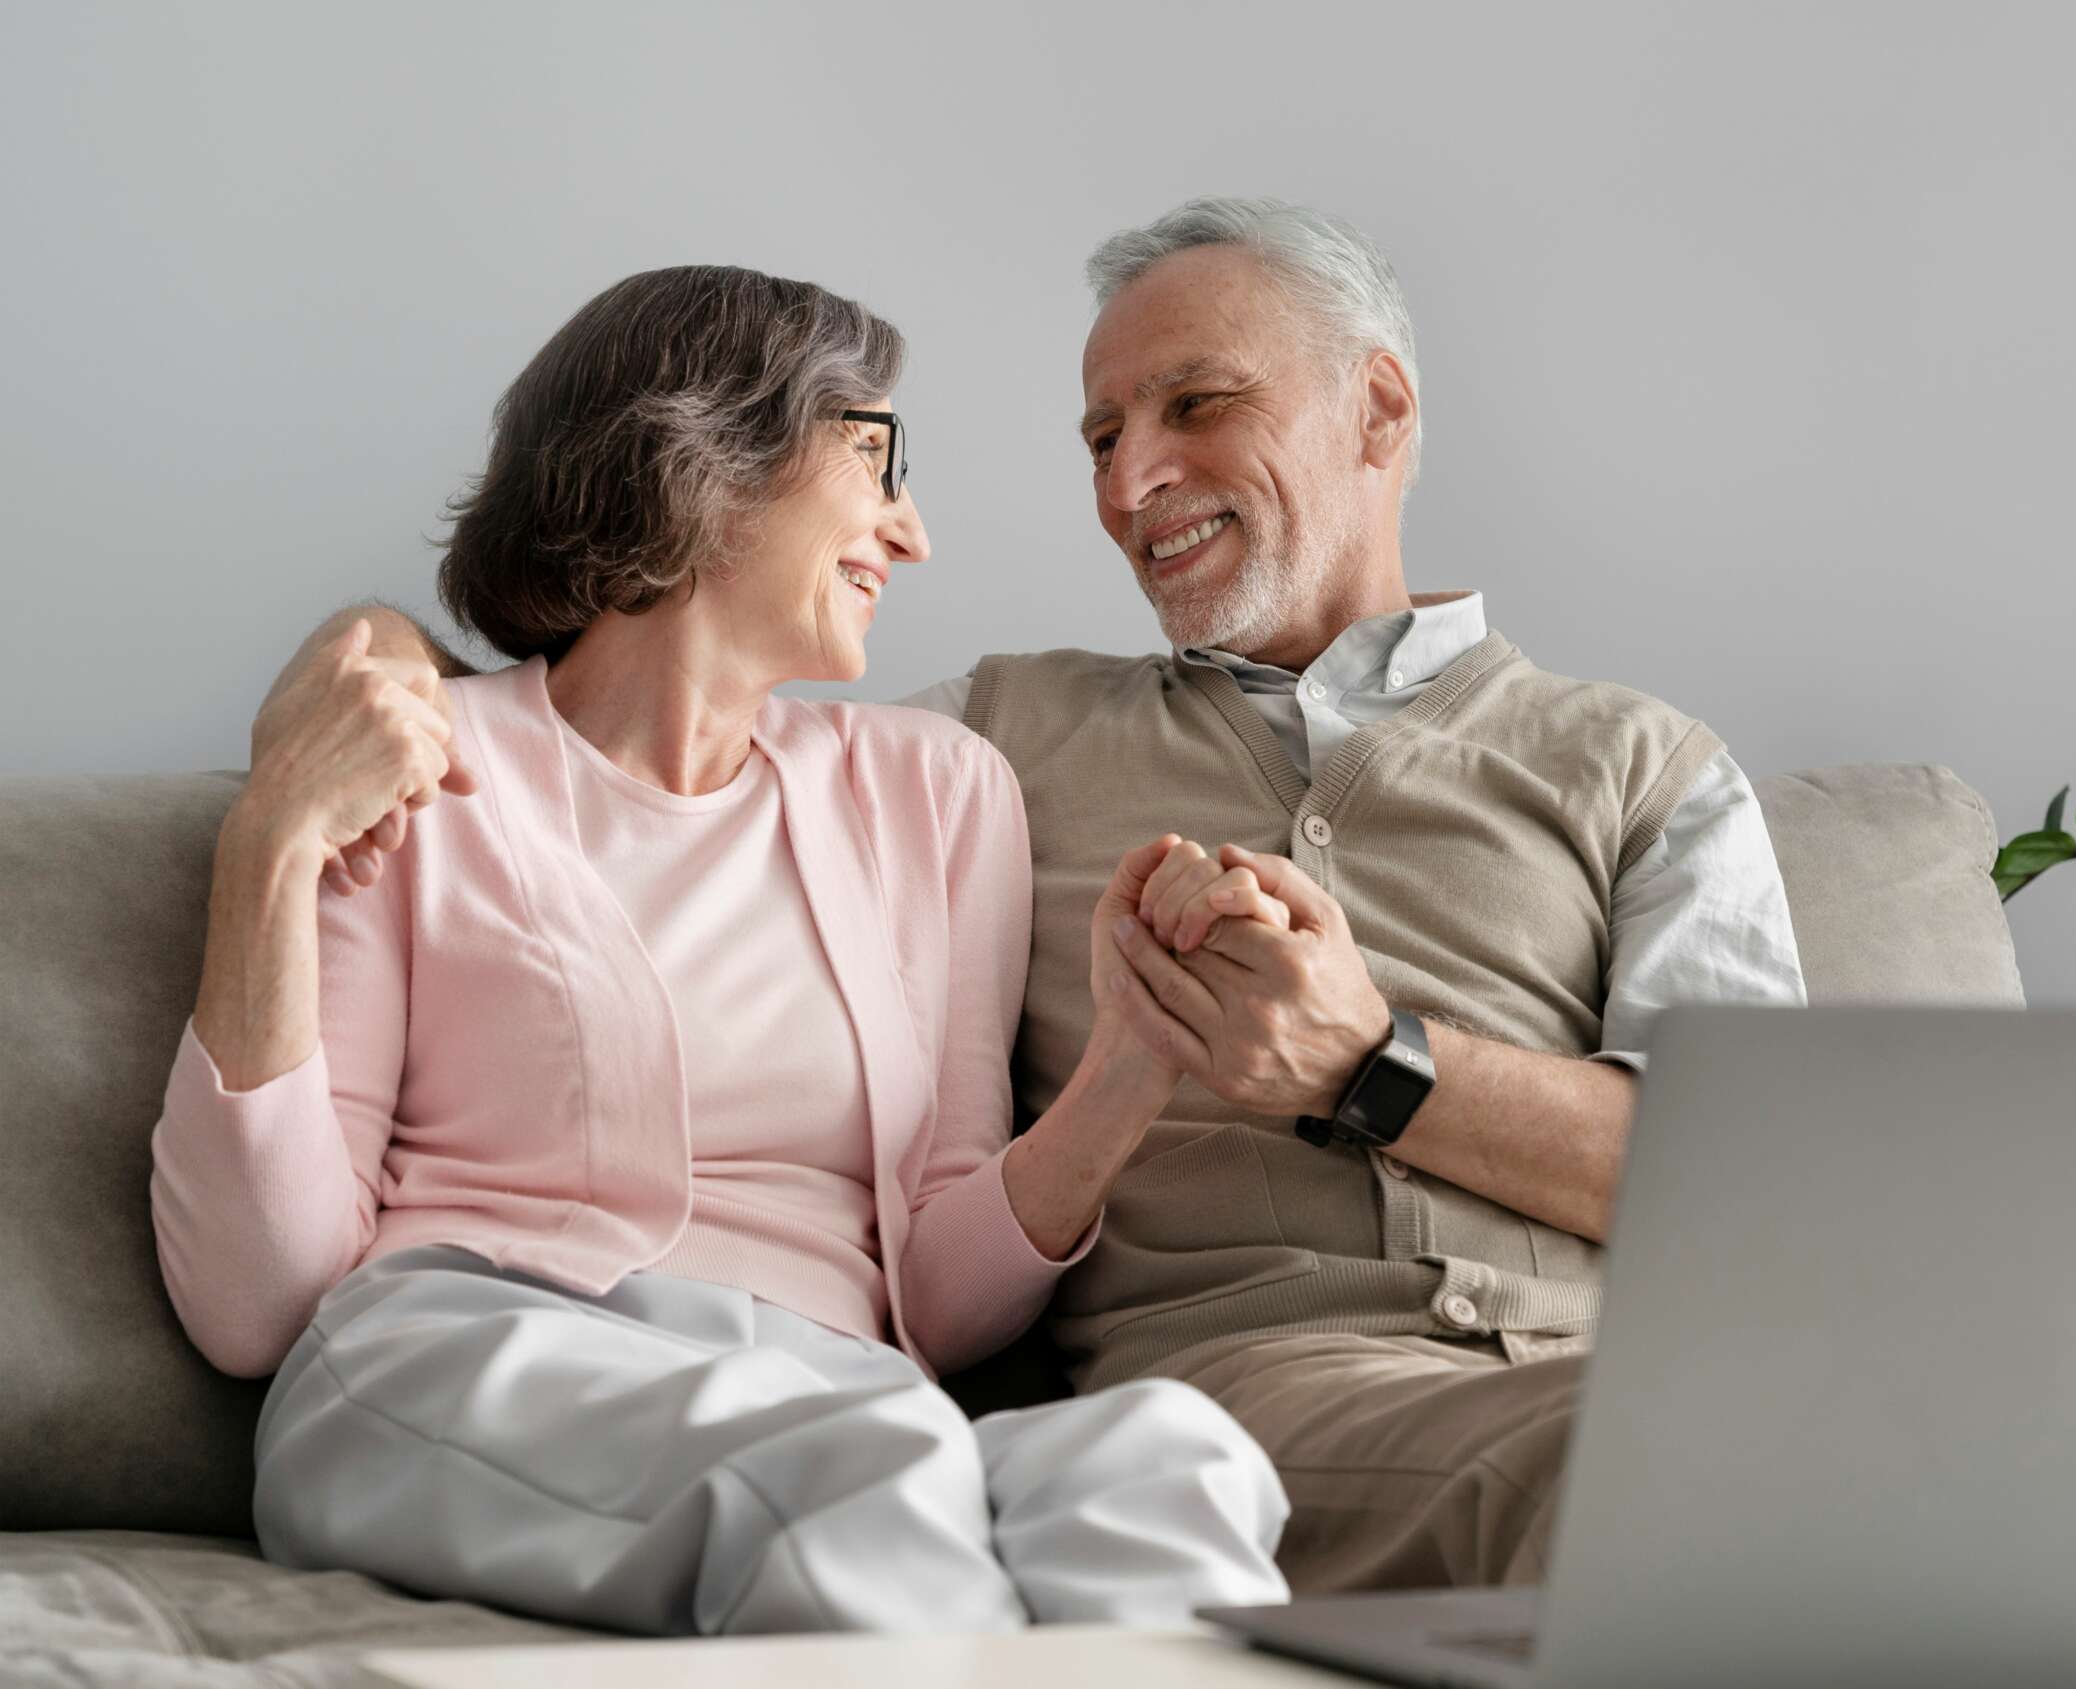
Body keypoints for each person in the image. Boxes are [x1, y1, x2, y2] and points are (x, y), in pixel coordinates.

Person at [314, 198, 1808, 1598]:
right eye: (1101, 434)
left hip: (1610, 1364)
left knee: (1836, 1425)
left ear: (1382, 408)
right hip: (1267, 1390)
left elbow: (1762, 1197)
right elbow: (659, 710)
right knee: (1679, 1470)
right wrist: (365, 657)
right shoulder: (989, 740)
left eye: (1194, 405)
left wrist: (1374, 1061)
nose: (1126, 481)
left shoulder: (1647, 769)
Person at [150, 264, 1290, 1637]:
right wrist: (268, 848)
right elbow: (254, 1302)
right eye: (878, 461)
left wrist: (1135, 1057)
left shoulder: (937, 792)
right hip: (460, 1352)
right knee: (851, 1483)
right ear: (702, 460)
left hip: (838, 1396)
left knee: (1172, 1466)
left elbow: (933, 1288)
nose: (913, 532)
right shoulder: (427, 764)